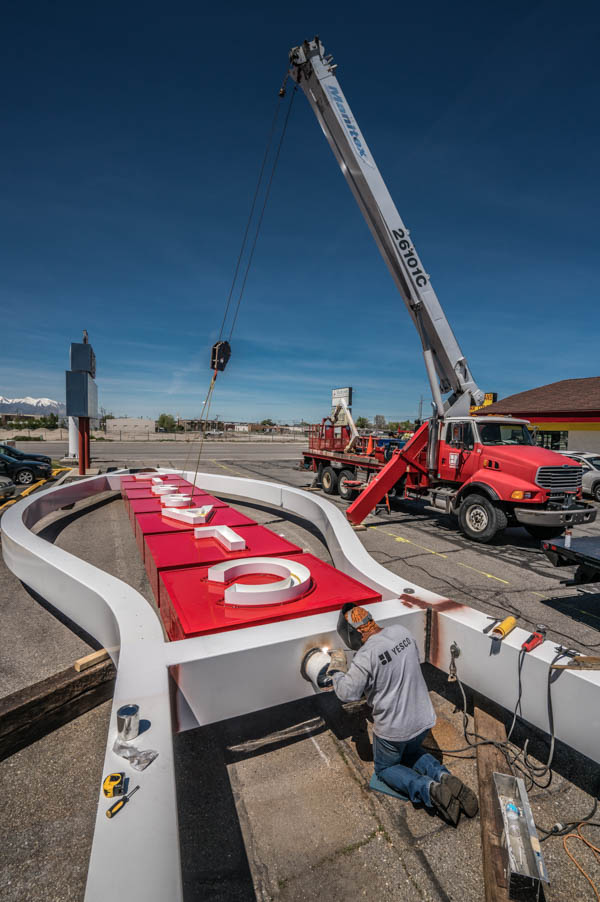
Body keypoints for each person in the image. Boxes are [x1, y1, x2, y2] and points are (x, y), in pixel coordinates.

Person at [327, 603, 478, 825]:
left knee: (386, 767)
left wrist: (338, 670)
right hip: (424, 720)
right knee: (411, 752)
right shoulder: (402, 632)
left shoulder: (365, 655)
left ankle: (429, 789)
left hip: (394, 732)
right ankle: (443, 776)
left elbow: (347, 693)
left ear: (357, 632)